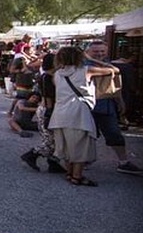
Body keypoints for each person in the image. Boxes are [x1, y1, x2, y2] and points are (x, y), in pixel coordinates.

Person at [48, 46, 119, 186]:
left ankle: (70, 173)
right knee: (80, 144)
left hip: (60, 112)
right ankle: (77, 176)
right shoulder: (86, 71)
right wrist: (91, 59)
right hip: (78, 111)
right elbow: (114, 70)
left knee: (66, 144)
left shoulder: (57, 74)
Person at [84, 41, 143, 175]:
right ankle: (83, 160)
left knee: (114, 133)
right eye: (96, 51)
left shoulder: (108, 64)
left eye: (102, 51)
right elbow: (114, 72)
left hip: (106, 104)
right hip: (87, 105)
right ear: (88, 52)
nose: (99, 54)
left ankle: (123, 162)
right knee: (87, 135)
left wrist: (120, 101)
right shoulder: (84, 66)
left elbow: (115, 86)